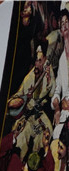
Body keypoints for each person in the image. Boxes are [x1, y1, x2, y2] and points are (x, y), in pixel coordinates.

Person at [8, 41, 55, 158]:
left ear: (44, 60)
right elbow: (18, 95)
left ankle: (33, 164)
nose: (37, 64)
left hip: (39, 115)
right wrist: (12, 102)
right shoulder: (28, 78)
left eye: (40, 61)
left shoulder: (48, 73)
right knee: (21, 136)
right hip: (27, 115)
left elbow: (52, 93)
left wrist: (49, 79)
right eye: (36, 61)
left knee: (46, 133)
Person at [51, 8, 69, 139]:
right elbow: (58, 88)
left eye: (67, 21)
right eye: (62, 23)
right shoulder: (62, 59)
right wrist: (56, 104)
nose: (64, 25)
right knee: (56, 138)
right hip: (65, 112)